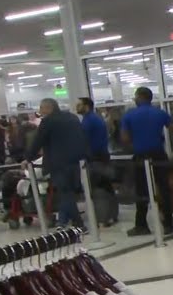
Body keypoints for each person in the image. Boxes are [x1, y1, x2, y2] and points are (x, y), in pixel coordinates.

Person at [121, 87, 173, 236]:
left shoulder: (129, 115)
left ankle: (141, 226)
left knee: (142, 192)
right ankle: (168, 224)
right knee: (164, 189)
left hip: (141, 156)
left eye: (135, 97)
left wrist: (135, 144)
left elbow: (125, 139)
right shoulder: (160, 113)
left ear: (140, 97)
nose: (134, 100)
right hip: (159, 156)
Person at [27, 98, 90, 230]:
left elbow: (38, 142)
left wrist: (27, 159)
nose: (40, 111)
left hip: (58, 163)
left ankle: (78, 224)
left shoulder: (48, 121)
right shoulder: (72, 118)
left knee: (65, 193)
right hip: (75, 162)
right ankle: (65, 222)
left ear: (49, 108)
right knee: (68, 194)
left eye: (41, 108)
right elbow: (81, 137)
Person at [76, 97, 117, 227]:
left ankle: (102, 218)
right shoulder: (96, 119)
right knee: (107, 187)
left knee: (98, 189)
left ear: (86, 106)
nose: (77, 107)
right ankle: (111, 216)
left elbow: (83, 140)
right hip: (102, 156)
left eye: (79, 105)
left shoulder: (89, 121)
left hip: (94, 158)